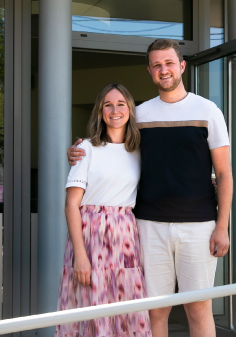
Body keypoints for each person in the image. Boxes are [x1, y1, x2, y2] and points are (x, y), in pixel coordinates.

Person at [68, 39, 233, 337]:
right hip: (147, 226)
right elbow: (112, 146)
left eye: (169, 63)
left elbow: (224, 174)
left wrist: (222, 226)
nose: (163, 69)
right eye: (157, 65)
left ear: (182, 66)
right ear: (149, 71)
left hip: (199, 226)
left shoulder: (208, 111)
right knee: (154, 310)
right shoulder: (140, 114)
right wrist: (81, 149)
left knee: (198, 308)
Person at [56, 83, 151, 337]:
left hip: (125, 237)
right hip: (91, 236)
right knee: (90, 312)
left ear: (130, 110)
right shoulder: (86, 148)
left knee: (127, 312)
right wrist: (80, 255)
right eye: (108, 104)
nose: (115, 110)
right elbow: (71, 205)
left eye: (121, 104)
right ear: (100, 111)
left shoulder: (140, 150)